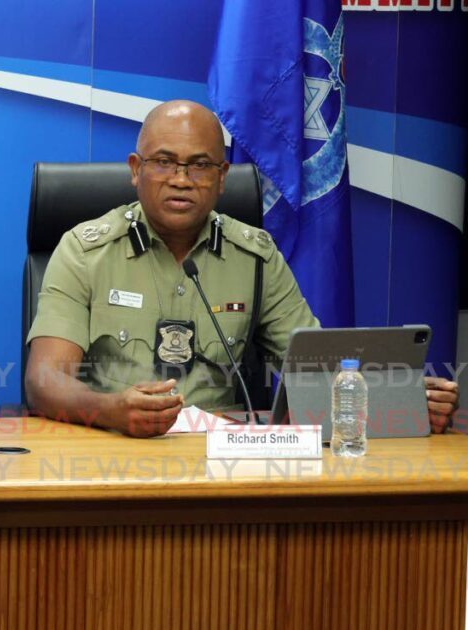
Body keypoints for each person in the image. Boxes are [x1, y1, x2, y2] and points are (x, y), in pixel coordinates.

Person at [25, 100, 458, 438]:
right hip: (111, 447)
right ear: (135, 171)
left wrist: (396, 400)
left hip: (225, 461)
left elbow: (316, 372)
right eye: (163, 161)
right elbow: (45, 380)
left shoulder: (256, 256)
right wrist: (112, 410)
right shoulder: (85, 250)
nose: (180, 178)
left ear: (222, 176)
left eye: (199, 165)